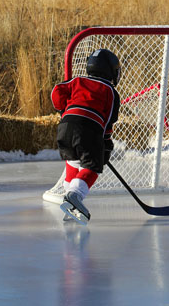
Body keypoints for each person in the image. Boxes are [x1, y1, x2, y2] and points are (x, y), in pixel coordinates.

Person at [51, 49, 121, 225]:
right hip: (89, 129)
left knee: (73, 161)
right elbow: (108, 121)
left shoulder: (76, 80)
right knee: (92, 166)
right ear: (111, 70)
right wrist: (105, 144)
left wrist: (63, 109)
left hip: (65, 127)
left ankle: (69, 205)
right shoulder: (110, 91)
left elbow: (56, 91)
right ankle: (75, 196)